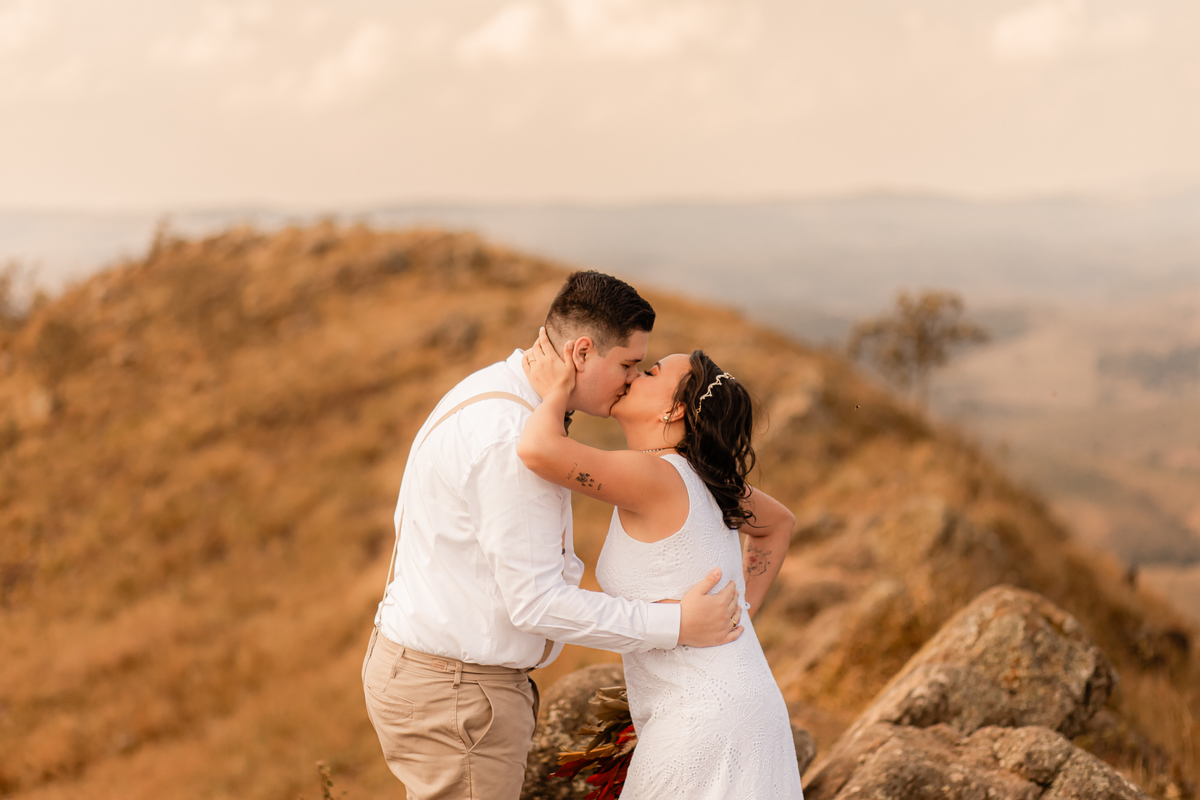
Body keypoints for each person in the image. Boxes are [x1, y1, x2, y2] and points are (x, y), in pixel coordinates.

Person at [362, 271, 744, 800]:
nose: (630, 381)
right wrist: (677, 622)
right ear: (582, 351)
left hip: (444, 679)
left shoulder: (497, 389)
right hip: (458, 694)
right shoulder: (510, 440)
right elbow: (537, 604)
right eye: (628, 365)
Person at [518, 329, 804, 798]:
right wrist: (740, 613)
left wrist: (557, 389)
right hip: (742, 704)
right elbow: (778, 524)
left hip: (702, 719)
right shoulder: (704, 478)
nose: (633, 375)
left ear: (672, 411)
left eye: (648, 372)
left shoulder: (654, 472)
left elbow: (538, 450)